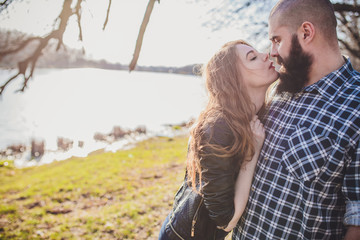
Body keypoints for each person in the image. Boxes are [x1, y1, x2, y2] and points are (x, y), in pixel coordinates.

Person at [232, 0, 360, 239]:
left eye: (277, 39)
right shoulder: (278, 91)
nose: (271, 52)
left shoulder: (356, 106)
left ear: (306, 32)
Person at [158, 40, 279, 239]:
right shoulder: (218, 128)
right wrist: (254, 150)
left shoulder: (252, 117)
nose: (266, 54)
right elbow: (226, 220)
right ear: (235, 78)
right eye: (253, 57)